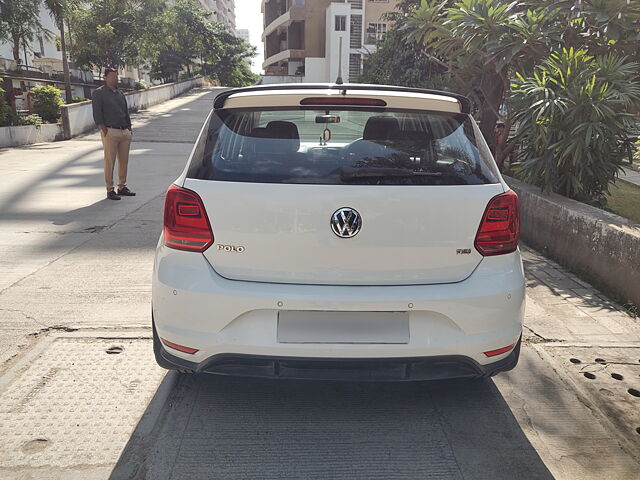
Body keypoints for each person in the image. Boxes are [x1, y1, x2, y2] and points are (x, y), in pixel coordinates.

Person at [92, 68, 136, 200]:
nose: (114, 79)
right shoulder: (99, 93)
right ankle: (110, 189)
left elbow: (125, 111)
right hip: (110, 131)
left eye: (116, 76)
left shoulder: (120, 94)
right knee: (109, 161)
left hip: (124, 131)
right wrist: (102, 127)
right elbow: (97, 112)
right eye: (111, 76)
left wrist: (129, 127)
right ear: (105, 78)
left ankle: (122, 186)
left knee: (124, 161)